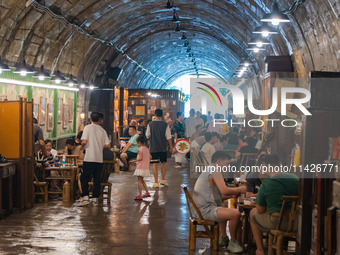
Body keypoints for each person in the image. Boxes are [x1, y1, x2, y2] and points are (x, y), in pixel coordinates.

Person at [193, 151, 246, 253]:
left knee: (224, 204)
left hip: (200, 208)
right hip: (205, 210)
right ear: (219, 161)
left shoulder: (210, 169)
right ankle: (233, 242)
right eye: (227, 164)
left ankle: (223, 236)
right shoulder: (215, 170)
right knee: (235, 214)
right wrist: (241, 189)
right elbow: (224, 190)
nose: (227, 166)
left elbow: (219, 196)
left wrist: (232, 195)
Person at [250, 155, 299, 255]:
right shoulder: (295, 178)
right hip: (297, 222)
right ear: (280, 165)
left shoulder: (267, 183)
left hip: (277, 222)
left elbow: (260, 210)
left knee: (252, 213)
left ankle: (260, 250)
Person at [77, 112, 110, 206]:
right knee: (97, 179)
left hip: (89, 158)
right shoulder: (103, 131)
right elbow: (108, 144)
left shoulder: (87, 127)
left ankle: (86, 197)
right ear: (100, 120)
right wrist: (99, 146)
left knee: (84, 178)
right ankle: (95, 199)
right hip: (99, 159)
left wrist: (81, 147)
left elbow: (85, 141)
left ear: (90, 118)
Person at [146, 109, 173, 188]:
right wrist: (171, 147)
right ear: (162, 115)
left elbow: (147, 135)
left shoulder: (150, 124)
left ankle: (156, 182)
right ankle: (163, 179)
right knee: (164, 163)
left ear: (155, 114)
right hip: (163, 147)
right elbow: (168, 137)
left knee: (155, 164)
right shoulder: (165, 124)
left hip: (153, 147)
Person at [131, 135, 152, 200]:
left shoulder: (140, 149)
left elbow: (140, 158)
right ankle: (147, 192)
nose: (136, 144)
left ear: (139, 142)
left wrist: (134, 160)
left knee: (139, 181)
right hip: (145, 167)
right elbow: (150, 157)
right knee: (142, 180)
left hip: (140, 167)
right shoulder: (146, 149)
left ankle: (140, 195)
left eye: (137, 142)